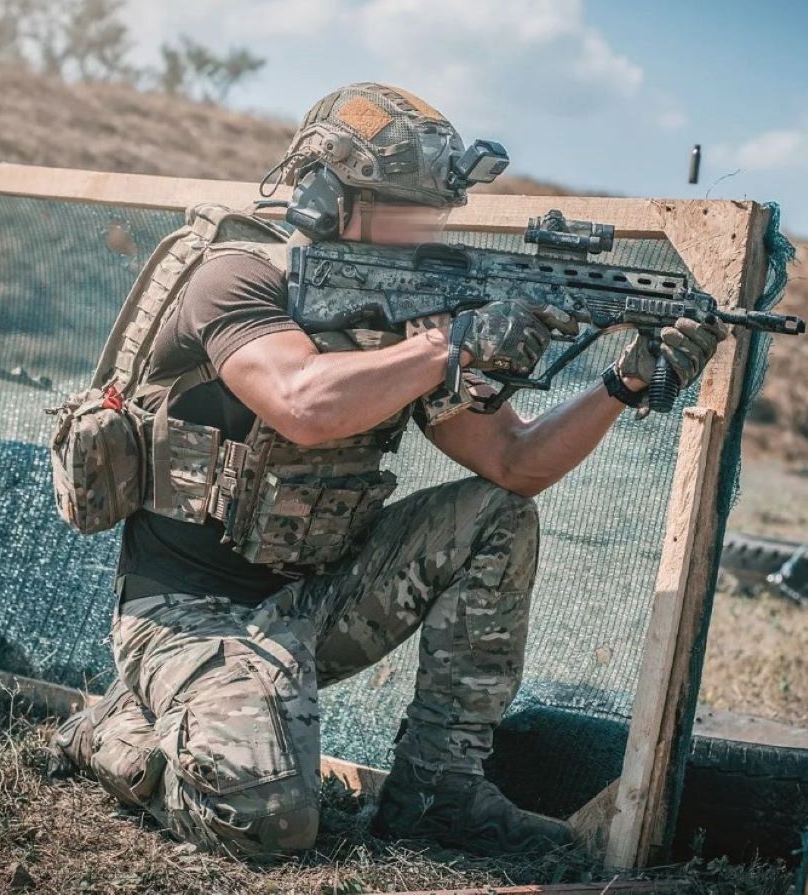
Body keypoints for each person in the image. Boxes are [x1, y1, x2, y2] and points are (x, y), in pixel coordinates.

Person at [49, 82, 726, 861]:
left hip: (316, 602)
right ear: (326, 196)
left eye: (434, 211)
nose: (426, 230)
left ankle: (440, 793)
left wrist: (620, 386)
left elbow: (512, 462)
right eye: (406, 207)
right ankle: (114, 730)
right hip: (184, 613)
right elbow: (305, 402)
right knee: (268, 822)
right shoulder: (235, 277)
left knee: (496, 515)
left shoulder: (407, 315)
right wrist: (452, 345)